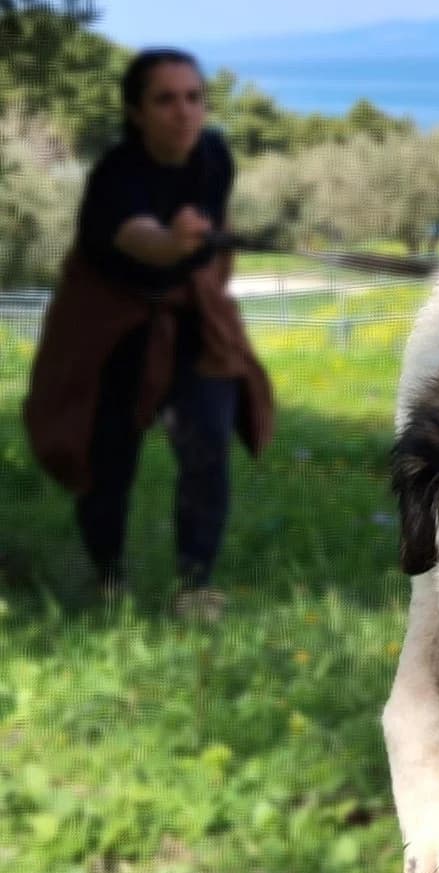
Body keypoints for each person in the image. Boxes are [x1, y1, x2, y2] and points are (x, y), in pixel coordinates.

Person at [23, 48, 274, 621]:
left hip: (189, 321)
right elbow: (143, 240)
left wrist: (197, 244)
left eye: (194, 98)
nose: (183, 112)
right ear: (136, 111)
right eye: (165, 99)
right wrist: (175, 241)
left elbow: (199, 236)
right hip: (117, 328)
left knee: (207, 442)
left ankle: (194, 584)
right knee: (108, 458)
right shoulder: (117, 174)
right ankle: (107, 574)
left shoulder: (214, 156)